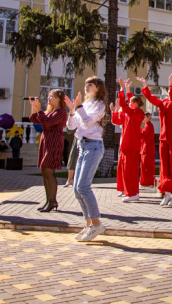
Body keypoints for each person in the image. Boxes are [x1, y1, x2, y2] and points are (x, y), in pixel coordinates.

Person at [65, 76, 107, 242]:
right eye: (86, 85)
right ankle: (89, 224)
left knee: (83, 186)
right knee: (76, 189)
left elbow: (88, 122)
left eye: (90, 85)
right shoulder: (85, 104)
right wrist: (72, 111)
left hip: (94, 147)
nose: (87, 87)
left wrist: (78, 107)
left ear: (98, 88)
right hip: (82, 146)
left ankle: (96, 224)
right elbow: (71, 126)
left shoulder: (99, 105)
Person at [141, 70, 172, 207]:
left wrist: (170, 82)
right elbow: (152, 99)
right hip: (164, 137)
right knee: (164, 166)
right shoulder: (164, 102)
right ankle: (166, 193)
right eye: (170, 89)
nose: (170, 91)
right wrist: (145, 86)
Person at [28, 90, 69, 212]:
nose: (48, 98)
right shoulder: (51, 110)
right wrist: (34, 107)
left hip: (54, 142)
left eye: (51, 96)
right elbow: (35, 119)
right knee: (44, 171)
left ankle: (52, 201)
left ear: (58, 99)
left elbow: (47, 121)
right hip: (46, 141)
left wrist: (39, 110)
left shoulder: (61, 111)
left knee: (49, 171)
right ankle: (49, 200)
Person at [111, 78, 145, 202]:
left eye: (131, 102)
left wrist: (122, 89)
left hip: (131, 145)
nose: (128, 103)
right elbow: (117, 120)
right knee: (126, 170)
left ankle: (132, 193)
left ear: (135, 104)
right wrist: (127, 89)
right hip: (127, 145)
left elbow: (124, 104)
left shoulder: (136, 113)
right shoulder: (132, 113)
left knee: (130, 170)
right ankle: (129, 192)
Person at [140, 112, 156, 186]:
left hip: (147, 149)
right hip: (147, 148)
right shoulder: (148, 125)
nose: (143, 118)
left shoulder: (148, 126)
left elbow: (142, 135)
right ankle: (147, 181)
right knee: (146, 166)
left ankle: (146, 182)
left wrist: (136, 128)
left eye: (144, 117)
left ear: (148, 118)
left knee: (146, 166)